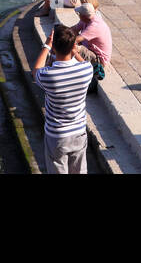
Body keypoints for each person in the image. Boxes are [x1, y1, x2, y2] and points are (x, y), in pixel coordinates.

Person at [33, 24, 94, 174]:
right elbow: (83, 62)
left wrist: (46, 46)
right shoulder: (87, 70)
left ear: (54, 48)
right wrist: (75, 51)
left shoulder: (48, 75)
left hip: (57, 135)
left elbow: (36, 70)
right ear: (74, 46)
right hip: (79, 131)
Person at [71, 0, 112, 66]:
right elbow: (74, 29)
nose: (78, 16)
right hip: (89, 47)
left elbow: (75, 40)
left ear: (83, 16)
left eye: (79, 14)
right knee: (70, 37)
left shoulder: (94, 26)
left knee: (71, 47)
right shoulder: (87, 19)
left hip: (99, 59)